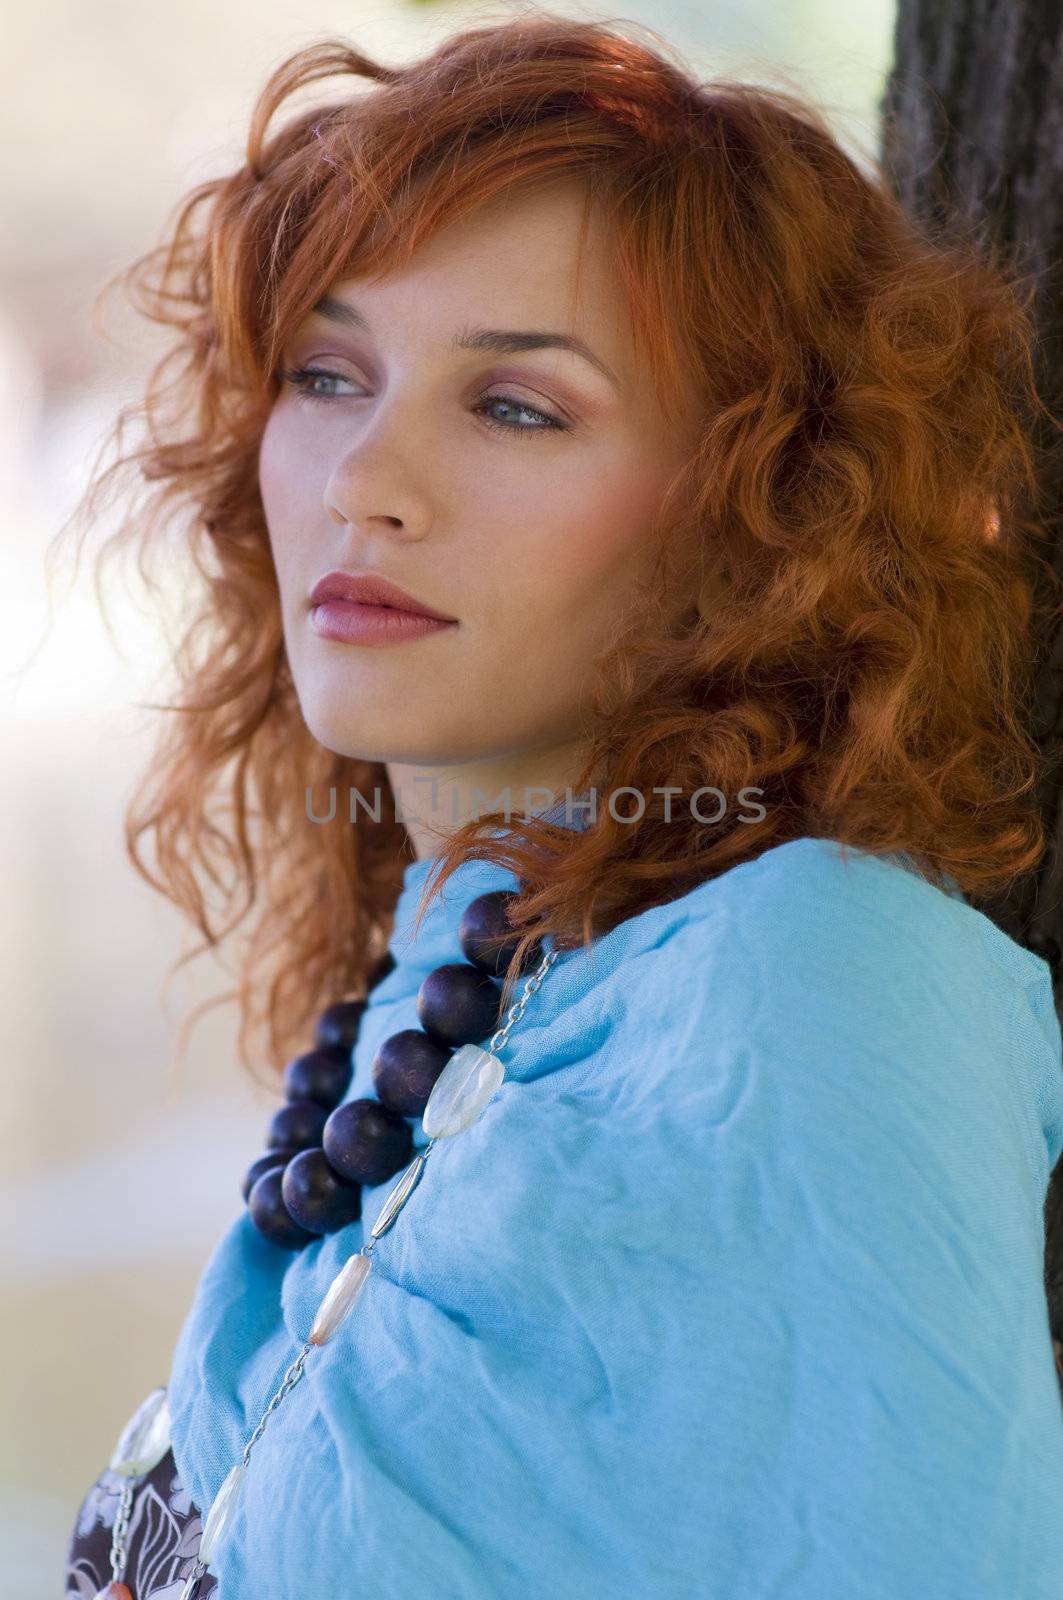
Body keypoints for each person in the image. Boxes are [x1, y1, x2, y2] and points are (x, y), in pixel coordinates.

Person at [62, 11, 1063, 1598]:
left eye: (516, 405)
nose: (362, 479)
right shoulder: (459, 980)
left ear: (763, 510)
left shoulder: (815, 986)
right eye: (328, 373)